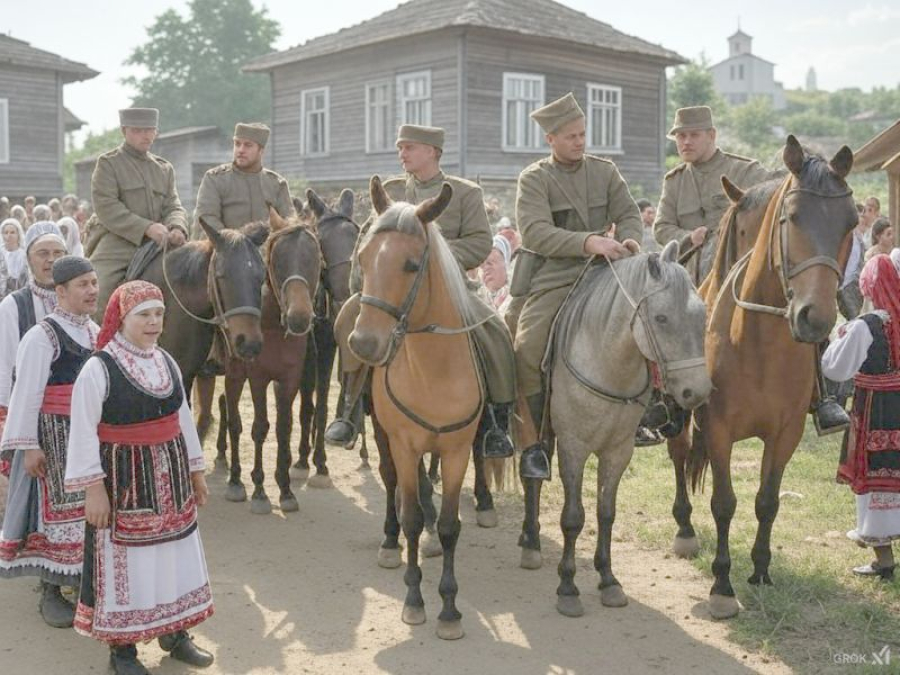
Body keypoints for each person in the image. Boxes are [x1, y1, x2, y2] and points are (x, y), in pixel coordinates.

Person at [326, 124, 517, 460]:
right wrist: (362, 282)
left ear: (432, 152)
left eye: (409, 147)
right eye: (400, 147)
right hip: (391, 288)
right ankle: (349, 407)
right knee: (346, 321)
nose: (402, 153)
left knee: (495, 332)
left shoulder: (465, 193)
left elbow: (479, 243)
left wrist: (433, 258)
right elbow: (369, 239)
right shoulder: (391, 190)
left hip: (449, 289)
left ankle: (496, 422)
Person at [66, 280, 214, 674]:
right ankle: (123, 652)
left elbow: (183, 419)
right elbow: (82, 432)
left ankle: (176, 633)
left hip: (173, 484)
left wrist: (196, 471)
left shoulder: (166, 361)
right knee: (129, 568)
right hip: (124, 486)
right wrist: (94, 490)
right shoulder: (99, 367)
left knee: (174, 557)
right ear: (121, 318)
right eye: (143, 315)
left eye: (159, 314)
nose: (153, 322)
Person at [514, 92, 642, 479]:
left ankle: (650, 410)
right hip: (556, 276)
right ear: (550, 139)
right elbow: (535, 232)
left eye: (583, 134)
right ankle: (534, 441)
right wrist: (588, 242)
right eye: (571, 136)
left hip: (607, 270)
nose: (580, 142)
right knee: (526, 348)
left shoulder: (605, 172)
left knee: (651, 322)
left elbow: (629, 213)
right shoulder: (535, 178)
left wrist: (630, 241)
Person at [0, 256, 98, 627]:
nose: (92, 290)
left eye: (94, 283)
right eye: (83, 285)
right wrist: (29, 446)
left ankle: (83, 584)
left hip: (88, 436)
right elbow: (26, 394)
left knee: (86, 510)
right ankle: (51, 589)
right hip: (54, 437)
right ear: (61, 291)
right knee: (53, 513)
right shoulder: (42, 336)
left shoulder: (95, 332)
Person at [822, 253, 900, 581]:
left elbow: (834, 368)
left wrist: (840, 337)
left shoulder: (867, 326)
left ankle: (884, 560)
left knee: (878, 477)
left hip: (877, 411)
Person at [88, 107, 188, 321]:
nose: (145, 135)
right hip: (119, 242)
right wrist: (146, 228)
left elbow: (173, 205)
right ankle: (95, 338)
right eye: (137, 130)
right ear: (124, 131)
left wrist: (177, 226)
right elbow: (106, 206)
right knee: (97, 292)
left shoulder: (164, 168)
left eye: (150, 130)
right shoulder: (109, 164)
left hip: (162, 242)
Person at [653, 106, 772, 285]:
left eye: (694, 135)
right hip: (688, 282)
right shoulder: (674, 181)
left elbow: (780, 189)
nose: (686, 142)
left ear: (711, 135)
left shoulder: (744, 171)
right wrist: (689, 237)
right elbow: (661, 227)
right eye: (681, 136)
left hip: (736, 281)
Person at [0, 223, 68, 446]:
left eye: (58, 253)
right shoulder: (13, 305)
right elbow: (5, 363)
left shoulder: (78, 300)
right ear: (29, 259)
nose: (51, 260)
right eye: (43, 253)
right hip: (28, 414)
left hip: (71, 414)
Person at [193, 122, 294, 237]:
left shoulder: (277, 184)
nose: (240, 150)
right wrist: (232, 241)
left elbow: (289, 226)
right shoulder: (215, 179)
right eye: (237, 144)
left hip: (267, 247)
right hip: (224, 246)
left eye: (248, 145)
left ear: (261, 150)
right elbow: (206, 220)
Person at [480, 234, 512, 315]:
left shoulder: (515, 297)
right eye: (482, 266)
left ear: (505, 265)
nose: (485, 269)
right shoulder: (479, 300)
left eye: (490, 263)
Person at [2, 218, 28, 294]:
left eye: (12, 232)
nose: (9, 235)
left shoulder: (23, 254)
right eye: (6, 233)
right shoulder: (1, 252)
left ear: (18, 234)